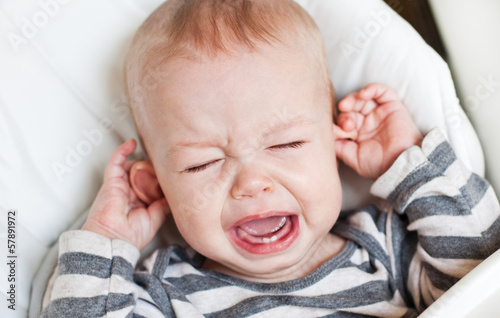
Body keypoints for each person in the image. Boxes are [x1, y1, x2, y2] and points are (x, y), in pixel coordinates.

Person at [41, 0, 500, 317]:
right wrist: (106, 241)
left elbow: (482, 263)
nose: (252, 184)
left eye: (286, 145)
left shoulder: (382, 251)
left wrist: (405, 161)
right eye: (202, 163)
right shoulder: (166, 293)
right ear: (157, 185)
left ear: (333, 141)